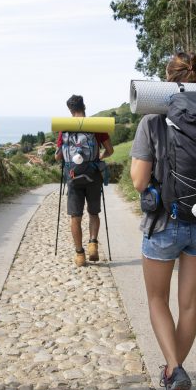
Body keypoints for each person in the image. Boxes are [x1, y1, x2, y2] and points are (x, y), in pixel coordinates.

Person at [129, 52, 196, 390]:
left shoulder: (153, 120)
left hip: (164, 223)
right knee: (189, 303)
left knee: (156, 300)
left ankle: (174, 369)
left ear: (168, 82)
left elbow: (137, 180)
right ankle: (173, 371)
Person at [54, 94, 114, 266]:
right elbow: (110, 150)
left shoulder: (64, 128)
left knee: (75, 216)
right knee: (93, 213)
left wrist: (61, 153)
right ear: (84, 107)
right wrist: (98, 158)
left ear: (70, 110)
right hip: (93, 174)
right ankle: (93, 243)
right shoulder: (96, 126)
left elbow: (58, 157)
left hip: (73, 176)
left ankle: (80, 254)